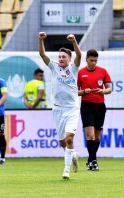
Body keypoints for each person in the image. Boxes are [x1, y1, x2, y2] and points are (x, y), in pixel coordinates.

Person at [38, 32, 82, 180]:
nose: (61, 58)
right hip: (57, 108)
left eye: (64, 57)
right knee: (63, 142)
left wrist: (74, 41)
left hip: (72, 109)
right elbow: (42, 54)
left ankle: (66, 171)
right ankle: (73, 154)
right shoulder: (54, 67)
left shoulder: (73, 69)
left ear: (70, 60)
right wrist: (41, 39)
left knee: (69, 139)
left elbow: (79, 55)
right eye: (60, 57)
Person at [77, 49, 112, 171]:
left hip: (100, 106)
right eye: (91, 60)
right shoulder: (80, 73)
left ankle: (90, 159)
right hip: (86, 106)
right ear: (86, 59)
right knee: (90, 136)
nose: (93, 63)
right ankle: (94, 161)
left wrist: (103, 91)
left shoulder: (103, 71)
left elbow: (109, 89)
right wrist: (83, 92)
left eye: (95, 61)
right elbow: (75, 91)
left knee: (97, 137)